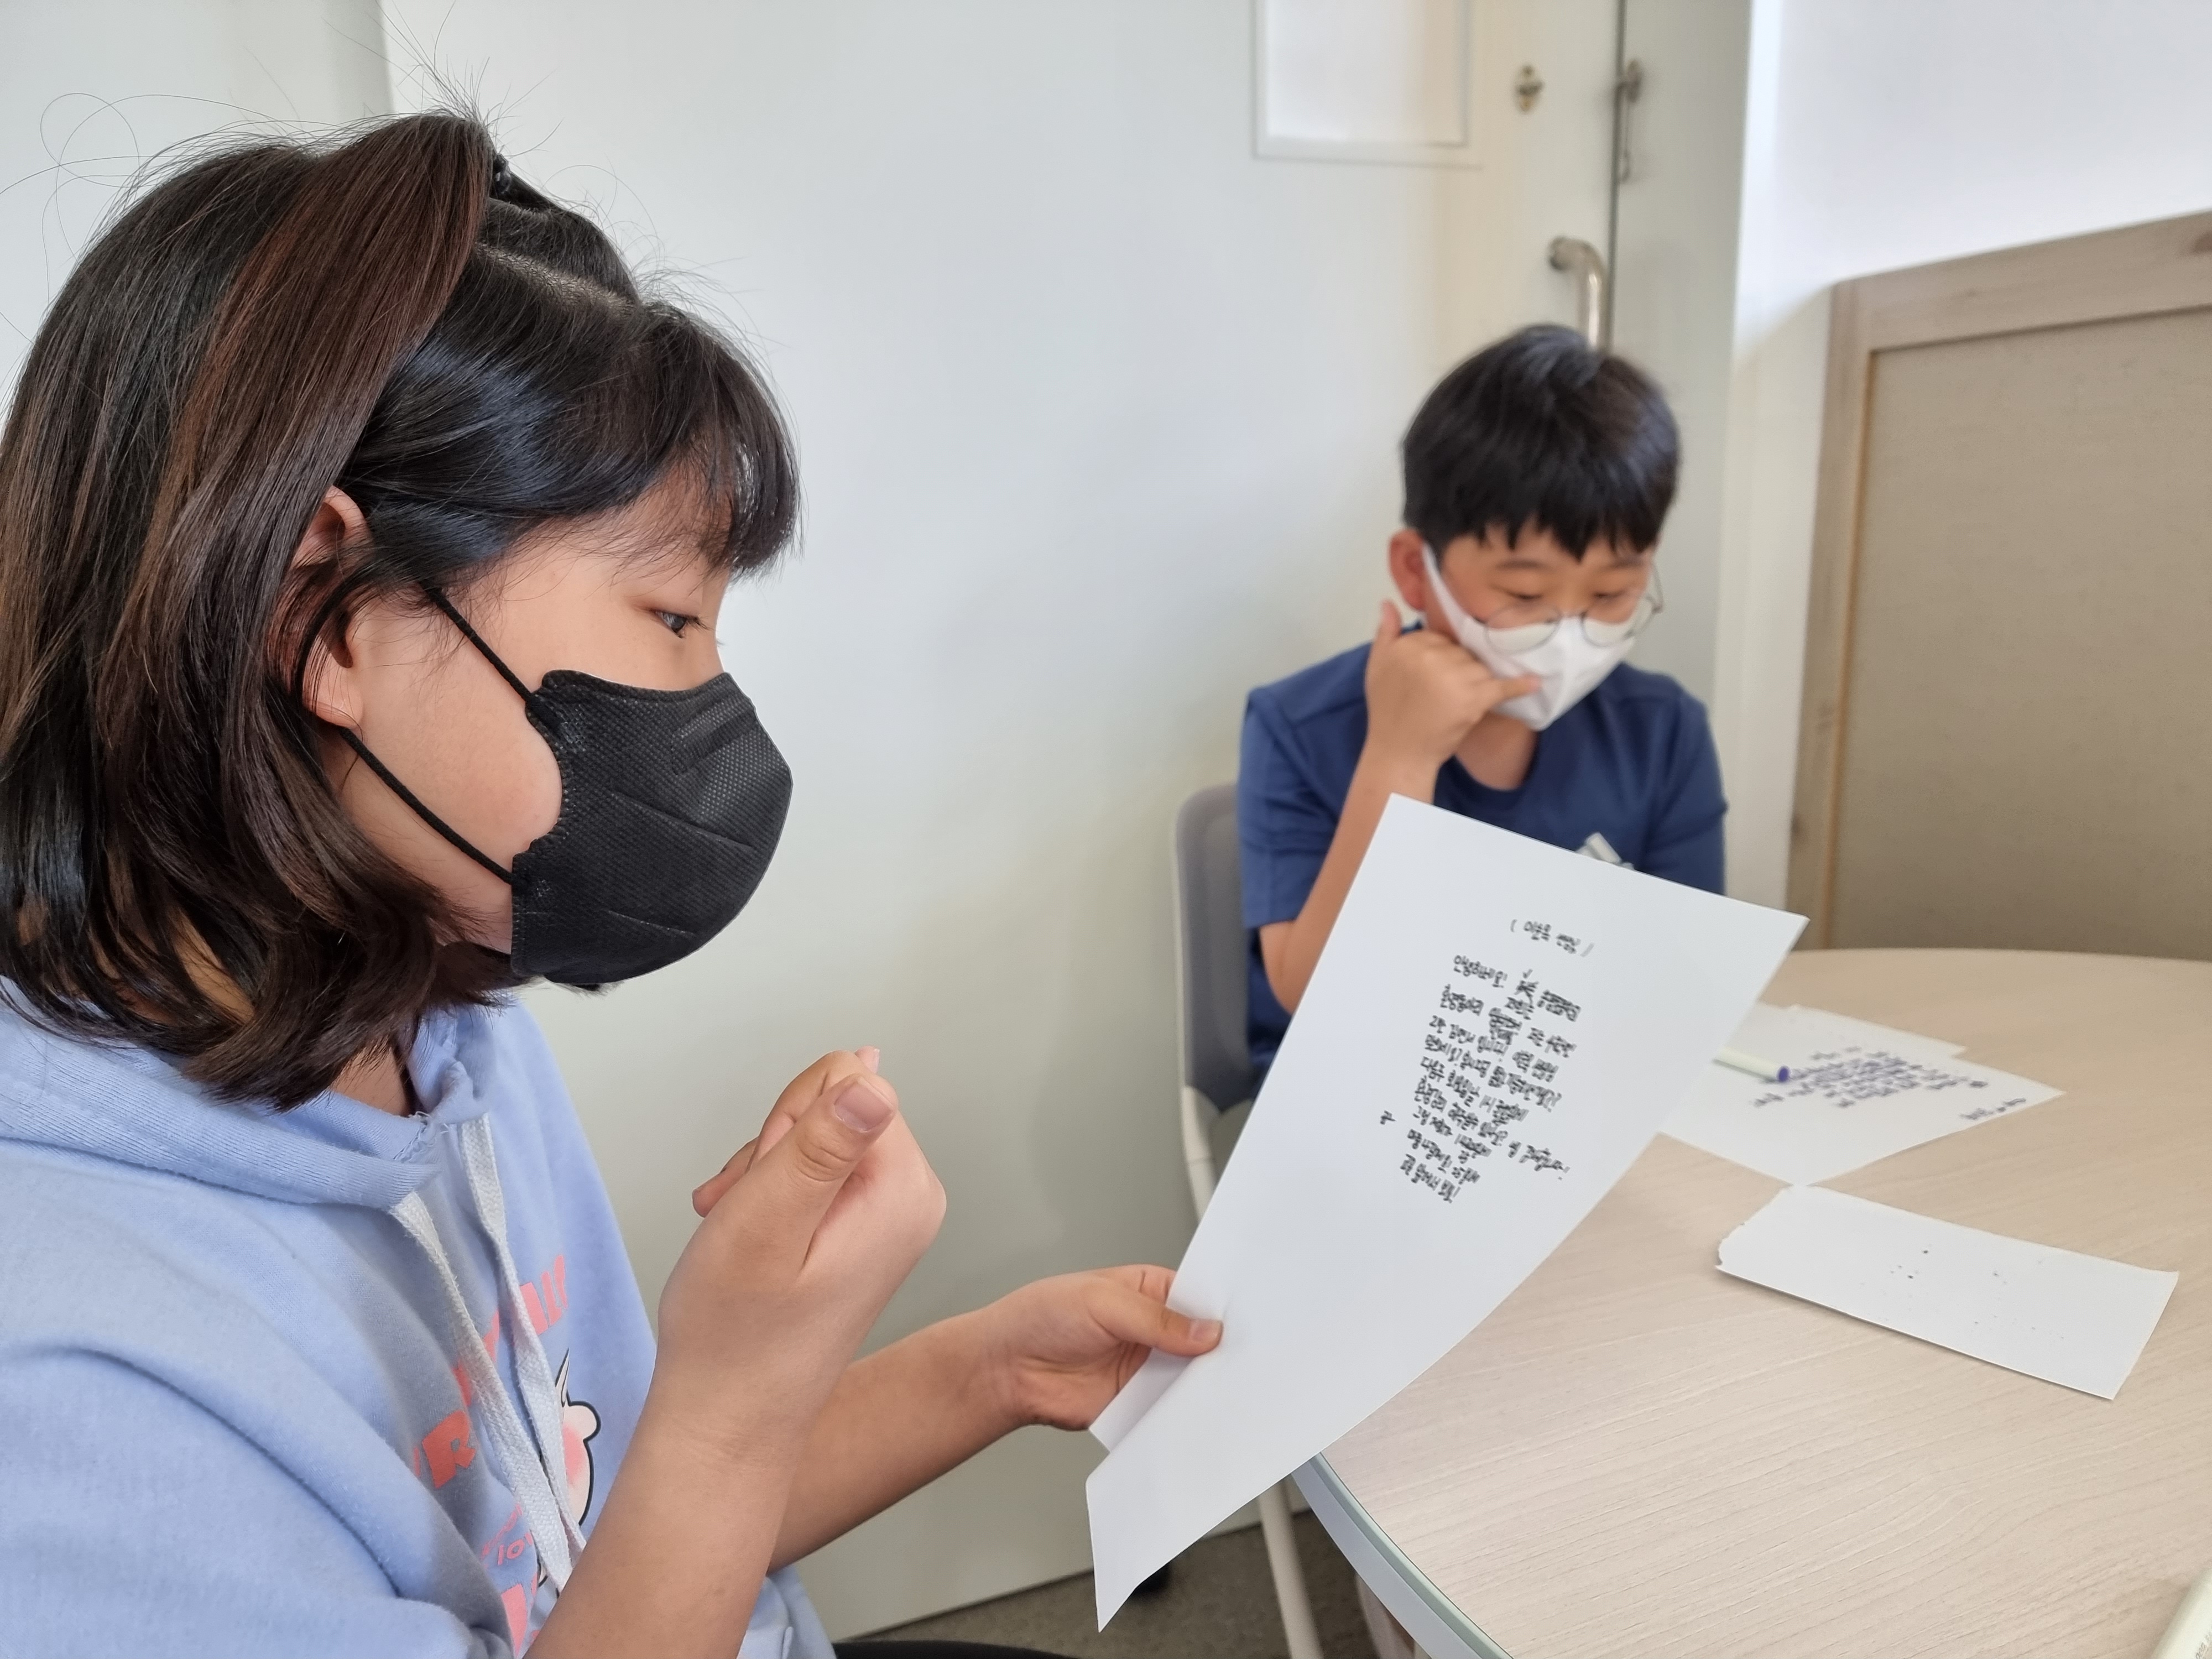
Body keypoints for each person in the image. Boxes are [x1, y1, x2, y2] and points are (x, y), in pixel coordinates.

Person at [0, 114, 1218, 1659]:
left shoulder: (436, 1016)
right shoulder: (66, 1383)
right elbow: (680, 1488)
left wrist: (986, 1370)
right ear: (324, 618)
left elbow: (613, 1538)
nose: (710, 712)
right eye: (668, 622)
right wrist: (726, 1397)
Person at [1238, 325, 1725, 1068]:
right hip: (1352, 1083)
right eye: (1524, 594)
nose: (1570, 632)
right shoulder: (1301, 727)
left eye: (1612, 593)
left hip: (1571, 1084)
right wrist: (1398, 758)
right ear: (1416, 569)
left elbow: (1684, 985)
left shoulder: (1661, 731)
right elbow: (1315, 994)